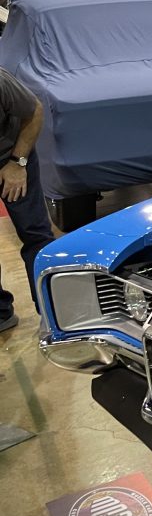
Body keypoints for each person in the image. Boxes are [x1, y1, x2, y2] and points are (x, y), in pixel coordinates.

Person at [0, 67, 55, 331]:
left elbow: (34, 111)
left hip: (11, 158)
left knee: (35, 235)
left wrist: (17, 163)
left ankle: (52, 314)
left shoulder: (0, 80)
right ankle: (1, 313)